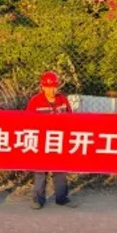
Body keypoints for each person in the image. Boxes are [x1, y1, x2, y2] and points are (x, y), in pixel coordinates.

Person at [26, 71, 77, 209]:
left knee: (60, 170)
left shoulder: (63, 100)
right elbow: (27, 121)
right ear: (42, 87)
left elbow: (71, 118)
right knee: (40, 171)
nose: (51, 90)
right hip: (41, 141)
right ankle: (38, 199)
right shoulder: (35, 101)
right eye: (48, 87)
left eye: (54, 87)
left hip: (58, 141)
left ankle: (61, 198)